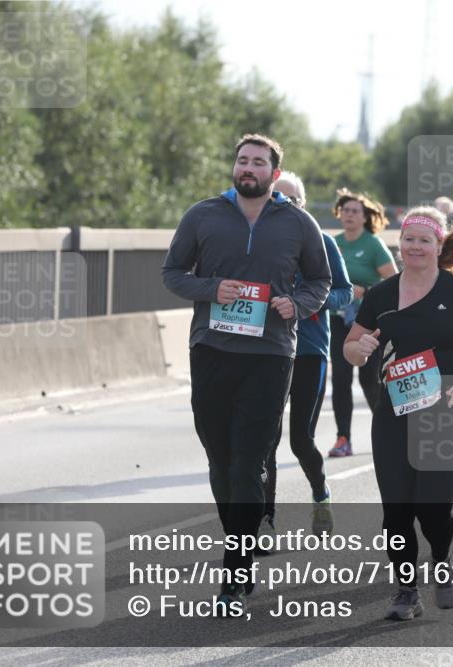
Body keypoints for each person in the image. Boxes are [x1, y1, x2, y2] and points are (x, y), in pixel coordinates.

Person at [162, 134, 331, 615]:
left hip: (270, 355)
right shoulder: (203, 215)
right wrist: (212, 288)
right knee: (220, 460)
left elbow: (320, 280)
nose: (248, 168)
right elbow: (173, 273)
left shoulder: (298, 223)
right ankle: (240, 539)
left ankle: (235, 571)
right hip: (211, 349)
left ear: (274, 174)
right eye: (242, 161)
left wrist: (296, 304)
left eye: (258, 162)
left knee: (249, 463)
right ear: (234, 167)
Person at [343, 207, 453, 621]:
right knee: (396, 513)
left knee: (433, 509)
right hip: (393, 415)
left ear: (439, 245)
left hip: (444, 414)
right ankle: (406, 591)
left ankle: (442, 560)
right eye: (408, 239)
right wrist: (359, 350)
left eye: (424, 240)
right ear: (400, 243)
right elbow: (351, 347)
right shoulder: (380, 295)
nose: (415, 247)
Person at [261, 172, 353, 539]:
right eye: (275, 199)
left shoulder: (322, 242)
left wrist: (306, 302)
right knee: (265, 440)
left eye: (292, 200)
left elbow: (344, 292)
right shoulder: (257, 240)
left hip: (309, 351)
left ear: (303, 204)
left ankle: (320, 493)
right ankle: (265, 520)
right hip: (266, 350)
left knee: (300, 440)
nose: (283, 207)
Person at [328, 189, 398, 458]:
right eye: (345, 210)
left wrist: (366, 291)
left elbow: (394, 283)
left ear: (365, 216)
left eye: (355, 211)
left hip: (368, 323)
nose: (349, 215)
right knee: (340, 379)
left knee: (370, 380)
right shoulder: (332, 243)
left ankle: (388, 432)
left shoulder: (373, 245)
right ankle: (343, 438)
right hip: (338, 320)